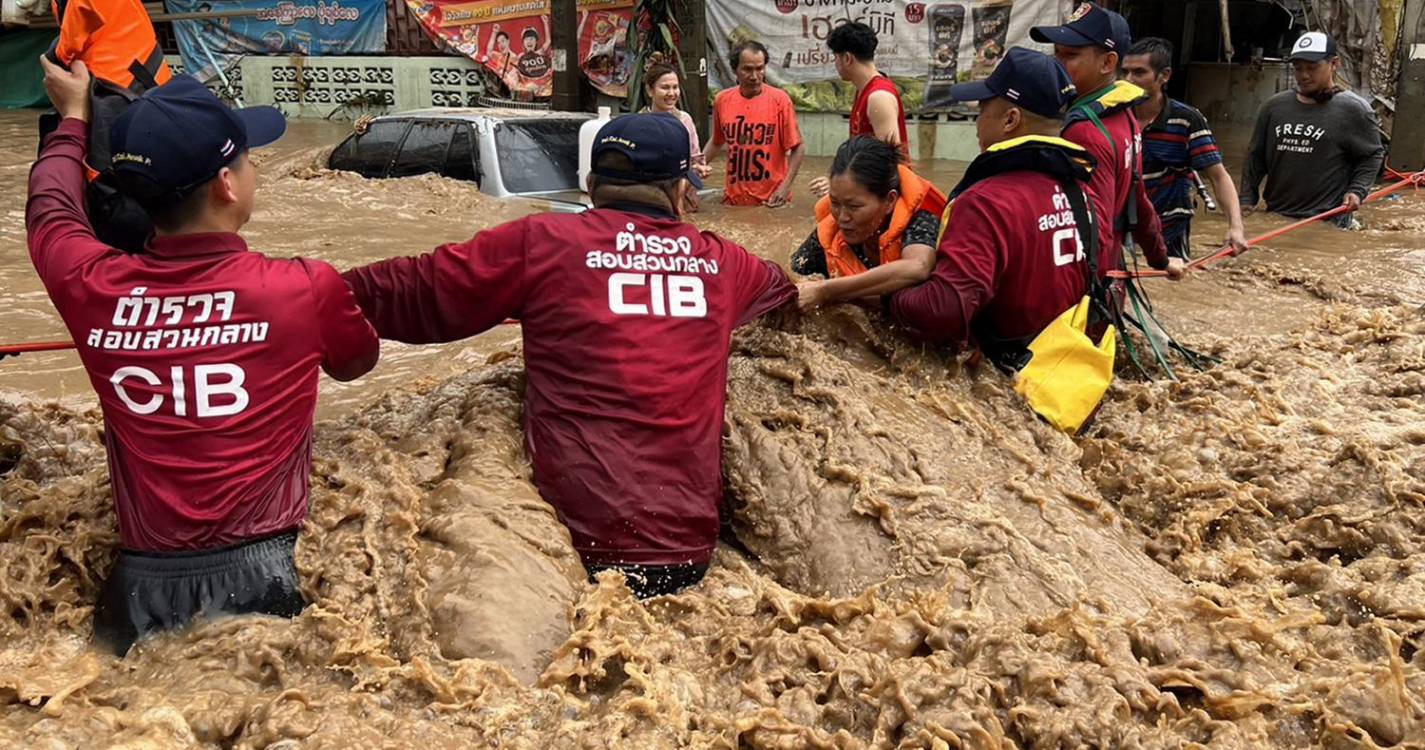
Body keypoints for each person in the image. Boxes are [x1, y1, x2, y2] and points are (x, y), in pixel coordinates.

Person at [340, 114, 795, 599]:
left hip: (563, 550)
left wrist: (300, 294)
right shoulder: (724, 263)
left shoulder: (541, 242)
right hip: (688, 550)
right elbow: (785, 289)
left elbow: (408, 293)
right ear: (682, 190)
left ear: (589, 183)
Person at [27, 62, 379, 654]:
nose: (255, 165)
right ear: (226, 184)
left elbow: (50, 208)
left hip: (136, 591)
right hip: (266, 577)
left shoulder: (91, 285)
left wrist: (73, 119)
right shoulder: (301, 288)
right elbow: (356, 362)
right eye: (247, 156)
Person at [890, 48, 1113, 363]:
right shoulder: (1087, 195)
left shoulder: (983, 202)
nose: (977, 122)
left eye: (983, 109)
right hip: (1073, 371)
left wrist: (883, 291)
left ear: (1011, 120)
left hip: (1010, 375)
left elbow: (942, 312)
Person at [1031, 3, 1177, 280]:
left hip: (1086, 285)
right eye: (1057, 53)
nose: (1057, 64)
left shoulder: (1083, 131)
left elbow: (1088, 227)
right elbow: (1139, 197)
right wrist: (1160, 258)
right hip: (1111, 274)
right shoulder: (1124, 115)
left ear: (1108, 63)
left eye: (1070, 55)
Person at [1240, 32, 1385, 229]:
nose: (1304, 75)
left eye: (1312, 68)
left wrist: (1357, 191)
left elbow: (1372, 154)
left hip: (1330, 220)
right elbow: (1255, 157)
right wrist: (1247, 200)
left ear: (1334, 64)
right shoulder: (1273, 107)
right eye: (1298, 69)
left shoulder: (1355, 110)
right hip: (1276, 216)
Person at [1122, 37, 1248, 258]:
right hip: (1124, 228)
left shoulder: (1186, 120)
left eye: (1139, 73)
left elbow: (1218, 176)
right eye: (1125, 72)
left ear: (1164, 76)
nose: (1129, 80)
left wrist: (1236, 227)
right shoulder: (1114, 117)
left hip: (1168, 230)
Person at [791, 136, 945, 310]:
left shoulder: (920, 221)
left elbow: (918, 267)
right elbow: (794, 277)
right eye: (834, 203)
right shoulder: (830, 234)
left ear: (889, 201)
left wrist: (827, 291)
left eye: (854, 206)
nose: (842, 217)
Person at [810, 21, 909, 198]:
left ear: (847, 58)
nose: (836, 63)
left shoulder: (878, 97)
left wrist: (837, 184)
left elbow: (889, 161)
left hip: (883, 195)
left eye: (836, 57)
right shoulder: (863, 90)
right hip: (868, 190)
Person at [703, 41, 806, 208]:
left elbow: (797, 147)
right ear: (735, 70)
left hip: (772, 200)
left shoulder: (780, 100)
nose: (754, 76)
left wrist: (784, 188)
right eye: (747, 69)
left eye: (760, 68)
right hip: (734, 199)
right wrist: (695, 171)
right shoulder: (722, 100)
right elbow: (717, 140)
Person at [640, 59, 712, 212]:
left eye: (675, 87)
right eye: (665, 87)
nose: (671, 93)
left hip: (684, 196)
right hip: (649, 196)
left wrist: (699, 168)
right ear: (650, 90)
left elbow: (695, 158)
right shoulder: (639, 122)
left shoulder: (685, 120)